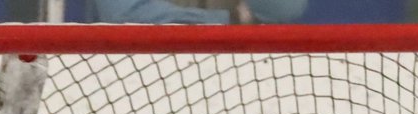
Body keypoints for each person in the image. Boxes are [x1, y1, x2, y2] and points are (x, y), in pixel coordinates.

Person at [87, 0, 307, 24]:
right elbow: (122, 14)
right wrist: (226, 20)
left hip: (233, 67)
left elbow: (287, 8)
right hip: (131, 70)